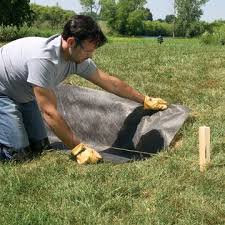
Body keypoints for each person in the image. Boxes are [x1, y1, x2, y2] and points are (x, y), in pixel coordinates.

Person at [0, 15, 168, 162]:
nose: (90, 56)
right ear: (71, 42)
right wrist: (78, 148)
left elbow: (110, 82)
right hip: (3, 92)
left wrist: (144, 100)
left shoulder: (76, 58)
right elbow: (49, 112)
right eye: (88, 51)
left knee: (40, 147)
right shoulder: (44, 61)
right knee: (17, 155)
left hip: (23, 93)